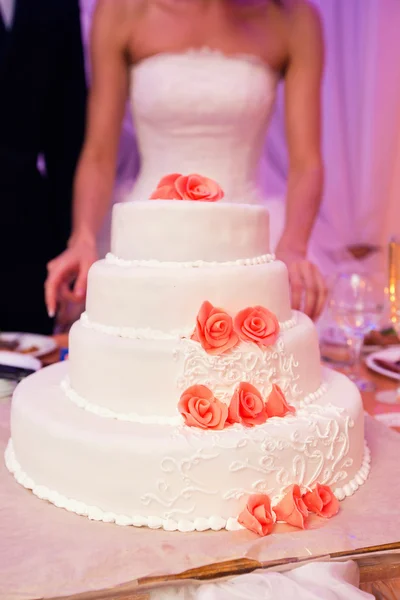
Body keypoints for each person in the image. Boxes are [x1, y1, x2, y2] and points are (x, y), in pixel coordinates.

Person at [45, 0, 327, 321]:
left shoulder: (293, 20)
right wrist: (82, 238)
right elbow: (98, 154)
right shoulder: (121, 10)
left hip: (247, 240)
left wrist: (293, 246)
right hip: (146, 236)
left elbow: (307, 162)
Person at [0, 0, 86, 334]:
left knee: (24, 373)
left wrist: (69, 250)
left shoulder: (57, 6)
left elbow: (67, 140)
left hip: (27, 233)